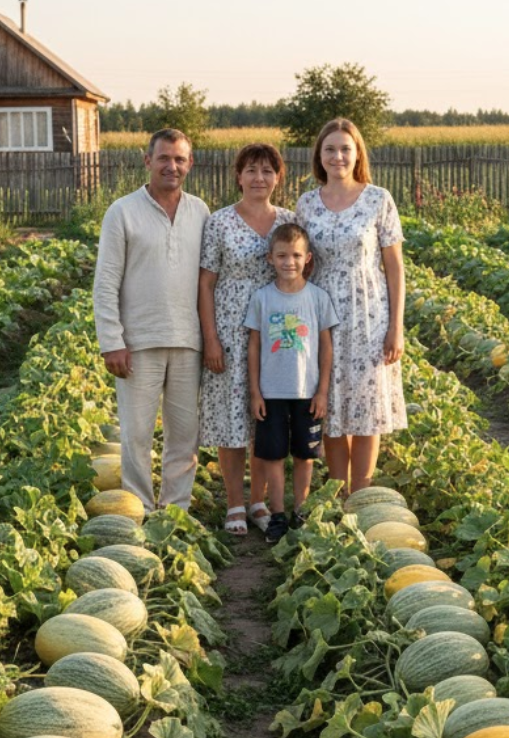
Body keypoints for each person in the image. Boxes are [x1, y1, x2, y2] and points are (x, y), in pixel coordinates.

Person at [93, 129, 208, 512]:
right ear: (148, 161)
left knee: (185, 436)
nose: (171, 166)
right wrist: (112, 341)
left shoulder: (200, 212)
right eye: (164, 158)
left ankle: (175, 510)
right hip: (138, 342)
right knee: (137, 435)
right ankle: (139, 509)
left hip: (188, 341)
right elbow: (106, 282)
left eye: (179, 159)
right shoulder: (122, 211)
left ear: (190, 164)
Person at [295, 118, 406, 493]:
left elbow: (394, 267)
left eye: (345, 149)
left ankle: (361, 493)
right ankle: (336, 491)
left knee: (366, 408)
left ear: (358, 154)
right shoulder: (307, 204)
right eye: (330, 149)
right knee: (329, 403)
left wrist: (396, 327)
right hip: (322, 315)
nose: (337, 156)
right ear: (319, 156)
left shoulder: (378, 199)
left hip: (369, 315)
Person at [197, 143, 297, 535]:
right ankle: (234, 504)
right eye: (251, 170)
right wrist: (211, 339)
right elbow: (206, 284)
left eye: (267, 171)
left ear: (278, 178)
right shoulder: (219, 222)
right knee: (231, 418)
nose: (259, 178)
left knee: (267, 420)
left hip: (276, 332)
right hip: (231, 330)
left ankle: (259, 501)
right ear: (238, 176)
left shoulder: (289, 221)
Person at [245, 223, 338, 543]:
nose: (289, 262)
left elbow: (326, 347)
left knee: (304, 454)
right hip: (271, 393)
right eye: (282, 255)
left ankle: (301, 510)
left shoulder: (318, 298)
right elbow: (254, 346)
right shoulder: (262, 298)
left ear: (307, 258)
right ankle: (278, 516)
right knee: (272, 455)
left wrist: (322, 391)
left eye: (296, 255)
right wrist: (255, 392)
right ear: (270, 258)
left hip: (307, 392)